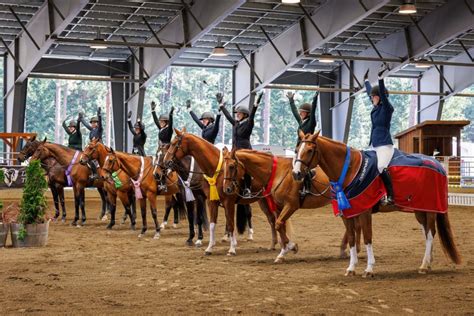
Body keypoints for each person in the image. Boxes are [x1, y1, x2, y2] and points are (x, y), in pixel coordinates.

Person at [220, 92, 262, 197]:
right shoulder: (236, 124)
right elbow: (229, 116)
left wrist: (256, 104)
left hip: (245, 150)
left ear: (245, 115)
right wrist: (221, 105)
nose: (237, 114)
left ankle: (247, 188)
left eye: (239, 113)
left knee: (246, 168)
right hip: (235, 150)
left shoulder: (248, 124)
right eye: (237, 113)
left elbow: (252, 116)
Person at [364, 66, 395, 205]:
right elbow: (371, 92)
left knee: (380, 167)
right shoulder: (375, 109)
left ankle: (390, 195)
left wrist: (380, 79)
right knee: (364, 167)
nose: (371, 98)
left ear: (380, 98)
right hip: (373, 144)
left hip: (384, 145)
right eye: (371, 97)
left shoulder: (387, 108)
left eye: (373, 97)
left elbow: (381, 93)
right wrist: (366, 81)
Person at [287, 91, 319, 197]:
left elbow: (314, 110)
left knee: (303, 168)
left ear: (308, 113)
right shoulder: (301, 122)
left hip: (307, 150)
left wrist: (315, 99)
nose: (300, 114)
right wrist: (291, 100)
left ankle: (307, 188)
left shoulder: (311, 122)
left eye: (303, 112)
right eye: (301, 112)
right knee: (294, 167)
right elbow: (295, 112)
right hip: (300, 149)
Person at [151, 101, 174, 191]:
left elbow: (171, 124)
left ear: (166, 122)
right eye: (160, 121)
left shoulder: (169, 129)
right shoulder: (161, 128)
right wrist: (153, 111)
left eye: (162, 121)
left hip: (167, 149)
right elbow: (156, 120)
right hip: (160, 149)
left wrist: (171, 115)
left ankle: (164, 184)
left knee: (163, 165)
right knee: (156, 164)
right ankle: (156, 181)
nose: (160, 123)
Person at [79, 108, 103, 180]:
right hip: (93, 148)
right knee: (86, 158)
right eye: (92, 123)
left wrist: (99, 115)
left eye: (95, 122)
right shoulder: (92, 130)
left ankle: (96, 173)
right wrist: (81, 118)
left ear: (97, 123)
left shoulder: (99, 129)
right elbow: (86, 125)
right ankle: (93, 172)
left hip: (99, 148)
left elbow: (101, 123)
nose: (93, 124)